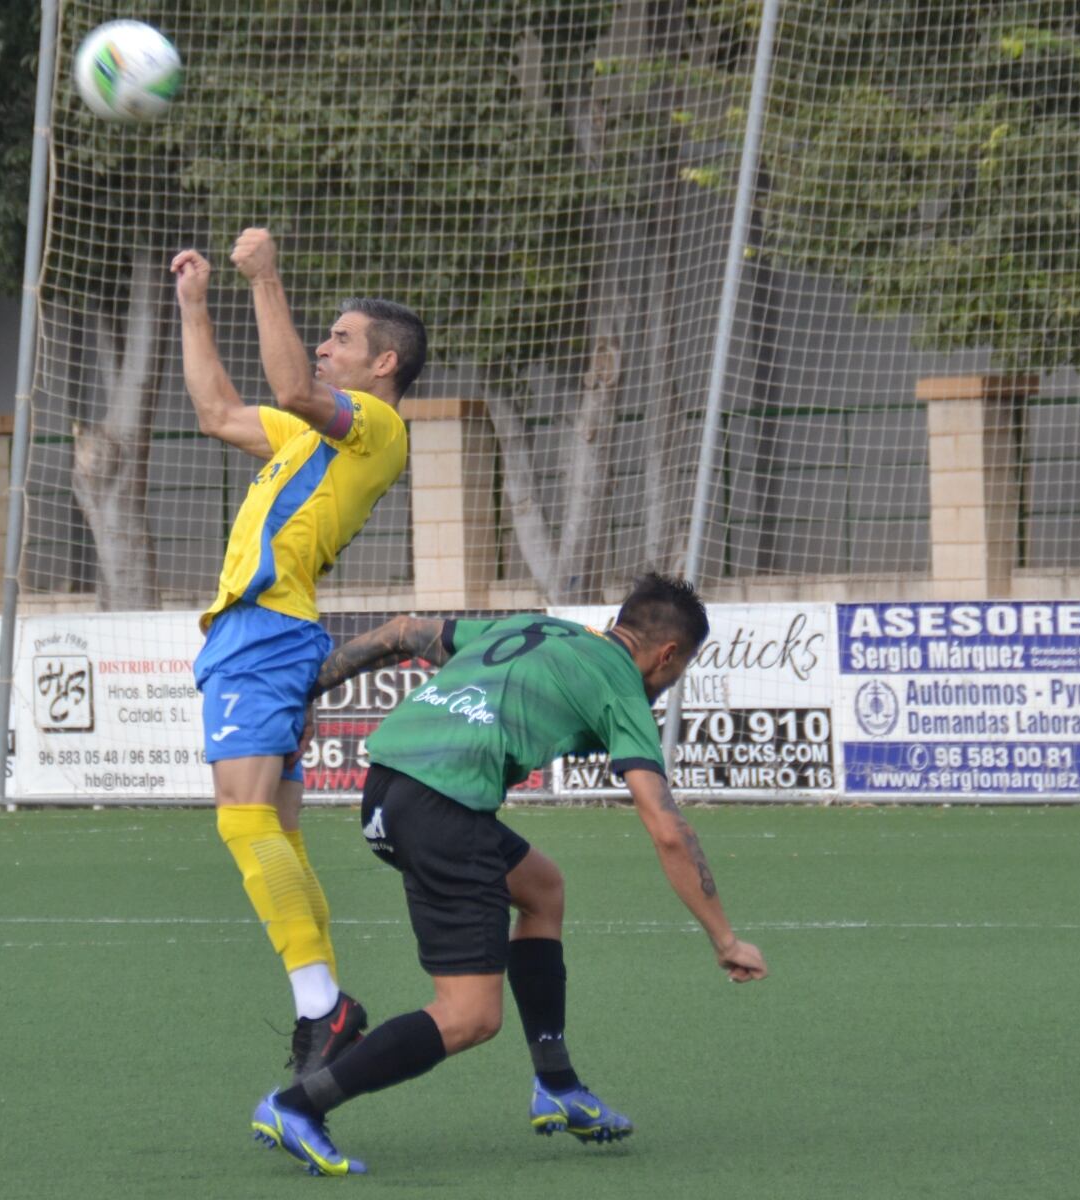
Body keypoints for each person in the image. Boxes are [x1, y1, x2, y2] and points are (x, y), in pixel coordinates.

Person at [248, 573, 769, 1176]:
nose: (669, 683)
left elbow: (402, 634)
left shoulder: (539, 629)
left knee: (541, 887)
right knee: (470, 1016)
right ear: (668, 653)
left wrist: (303, 694)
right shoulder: (620, 683)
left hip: (389, 787)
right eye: (677, 671)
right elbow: (668, 830)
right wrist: (725, 939)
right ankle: (296, 1106)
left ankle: (558, 1084)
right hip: (441, 811)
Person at [170, 228, 426, 1081]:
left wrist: (266, 278)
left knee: (243, 822)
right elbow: (216, 412)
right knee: (274, 828)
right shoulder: (304, 438)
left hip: (266, 631)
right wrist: (195, 304)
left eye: (343, 338)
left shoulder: (377, 426)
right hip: (263, 633)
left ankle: (324, 1006)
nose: (325, 345)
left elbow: (288, 381)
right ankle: (324, 1005)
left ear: (384, 366)